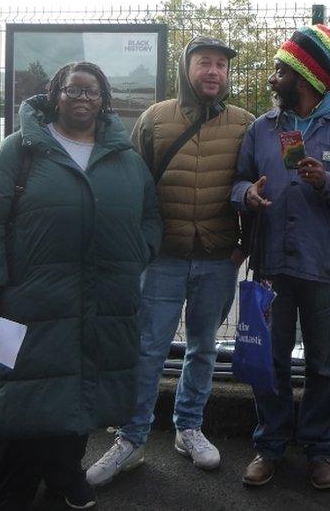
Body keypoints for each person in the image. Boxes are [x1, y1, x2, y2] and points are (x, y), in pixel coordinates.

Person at [0, 61, 161, 510]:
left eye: (92, 92)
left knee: (81, 394)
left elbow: (149, 217)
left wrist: (137, 255)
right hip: (31, 302)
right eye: (73, 90)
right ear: (55, 94)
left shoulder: (124, 158)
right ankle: (12, 494)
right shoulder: (20, 151)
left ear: (104, 100)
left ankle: (66, 475)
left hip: (102, 301)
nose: (82, 99)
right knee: (27, 404)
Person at [87, 36, 255, 485]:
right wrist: (142, 244)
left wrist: (245, 247)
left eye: (221, 65)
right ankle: (132, 438)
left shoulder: (244, 124)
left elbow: (258, 186)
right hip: (162, 258)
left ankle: (189, 427)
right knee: (147, 350)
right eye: (205, 63)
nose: (214, 72)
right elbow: (134, 188)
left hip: (219, 258)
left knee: (203, 349)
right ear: (187, 67)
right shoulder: (155, 118)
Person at [232, 24, 330, 490]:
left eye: (280, 71)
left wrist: (327, 183)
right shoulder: (262, 127)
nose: (272, 78)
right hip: (271, 264)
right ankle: (269, 446)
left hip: (321, 267)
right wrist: (246, 195)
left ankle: (319, 449)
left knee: (321, 364)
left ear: (307, 79)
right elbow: (238, 181)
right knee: (268, 361)